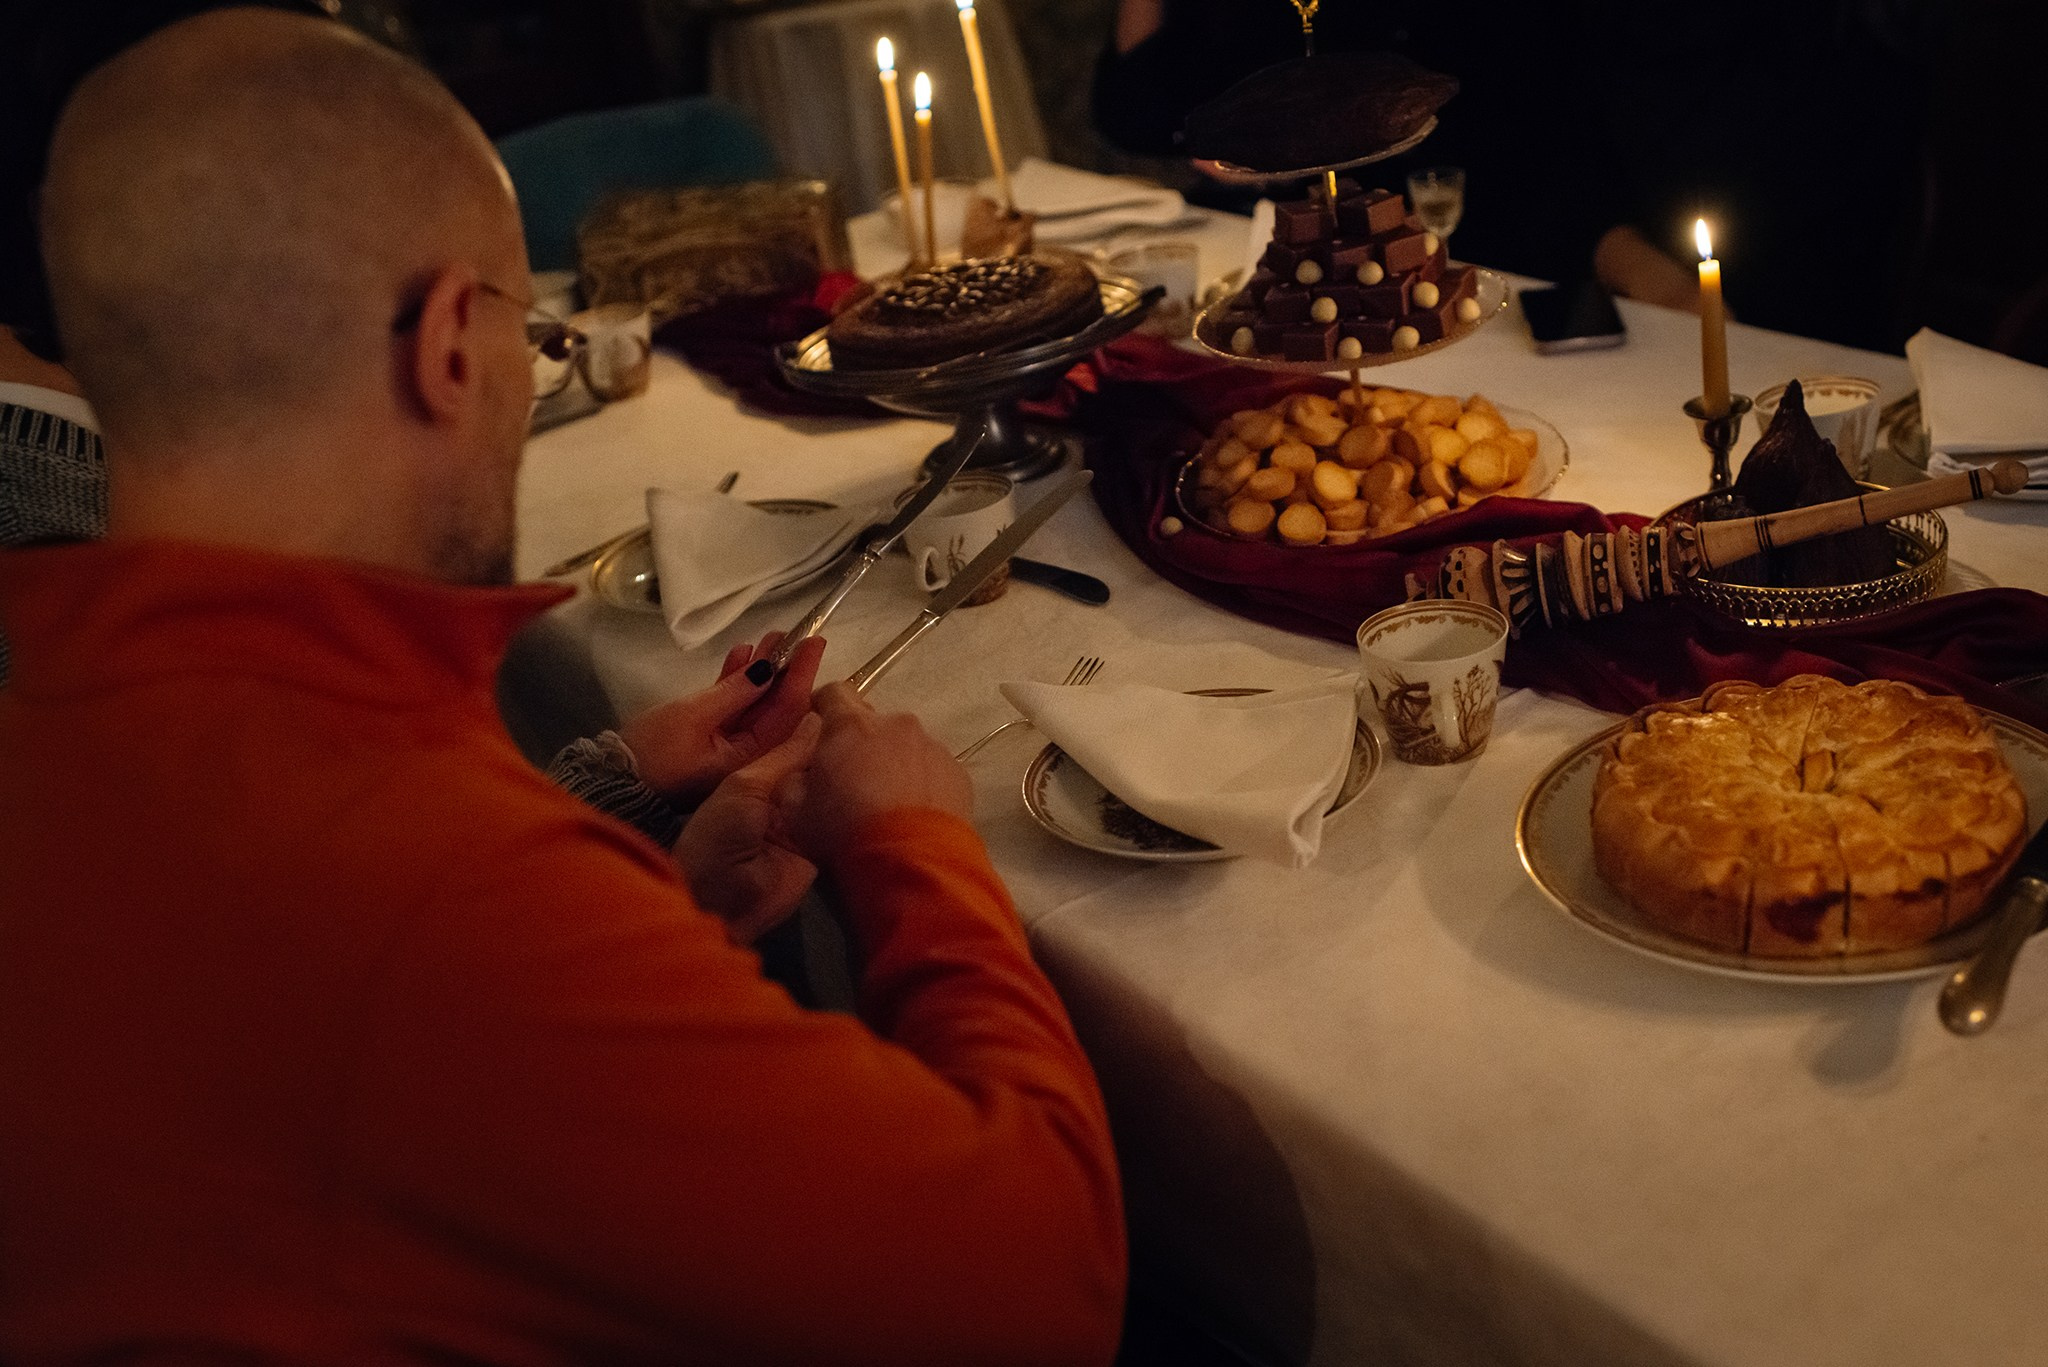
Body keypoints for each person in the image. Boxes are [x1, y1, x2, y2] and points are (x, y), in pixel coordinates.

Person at [0, 10, 1124, 1364]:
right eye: (527, 334)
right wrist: (916, 850)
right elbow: (1039, 1292)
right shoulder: (441, 900)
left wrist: (632, 857)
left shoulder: (62, 721)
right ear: (447, 348)